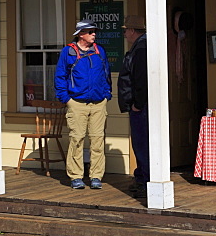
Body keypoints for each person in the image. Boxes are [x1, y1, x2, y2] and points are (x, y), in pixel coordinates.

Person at [54, 19, 111, 190]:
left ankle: (96, 176)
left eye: (94, 31)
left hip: (98, 103)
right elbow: (60, 76)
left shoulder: (100, 50)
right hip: (76, 103)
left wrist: (106, 94)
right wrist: (66, 99)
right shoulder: (68, 52)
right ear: (80, 34)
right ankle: (76, 176)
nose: (94, 34)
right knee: (76, 139)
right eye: (90, 31)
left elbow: (107, 74)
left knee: (97, 141)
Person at [117, 14, 148, 198]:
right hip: (139, 106)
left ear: (132, 31)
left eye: (125, 31)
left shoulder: (141, 49)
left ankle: (145, 180)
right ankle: (141, 176)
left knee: (142, 143)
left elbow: (141, 79)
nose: (125, 34)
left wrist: (137, 104)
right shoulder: (140, 47)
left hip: (141, 108)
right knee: (140, 143)